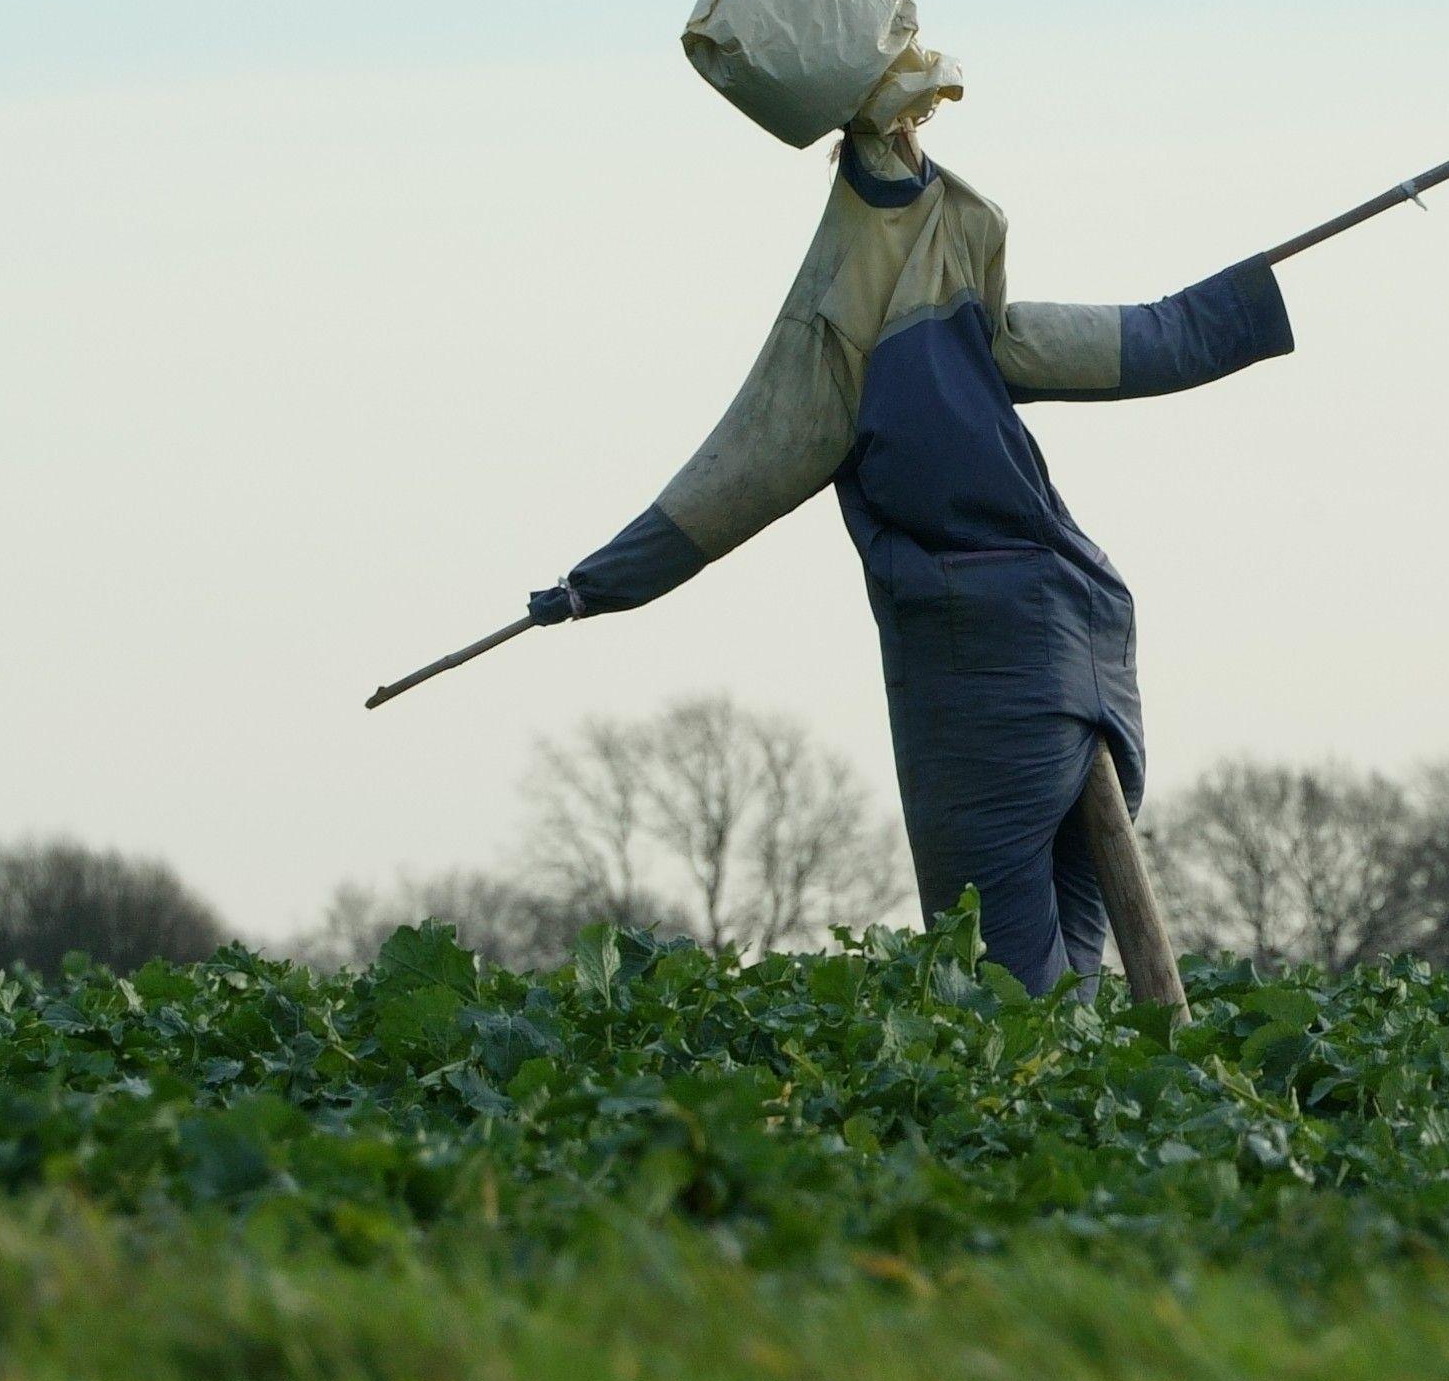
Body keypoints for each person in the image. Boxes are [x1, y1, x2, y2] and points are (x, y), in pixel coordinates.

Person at [528, 105, 1290, 992]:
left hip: (981, 673)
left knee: (1000, 976)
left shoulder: (827, 365)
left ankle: (1058, 1116)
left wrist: (589, 588)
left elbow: (714, 497)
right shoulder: (984, 323)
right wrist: (1253, 296)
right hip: (1090, 634)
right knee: (1077, 944)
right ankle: (1126, 1102)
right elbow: (1154, 338)